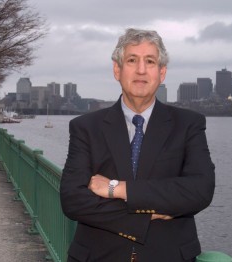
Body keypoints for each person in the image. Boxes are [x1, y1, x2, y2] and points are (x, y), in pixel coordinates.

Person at [60, 28, 215, 262]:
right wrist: (146, 215)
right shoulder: (85, 127)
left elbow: (199, 190)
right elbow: (73, 200)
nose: (141, 70)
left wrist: (117, 189)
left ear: (161, 73)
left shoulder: (188, 125)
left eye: (150, 61)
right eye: (132, 60)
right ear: (117, 70)